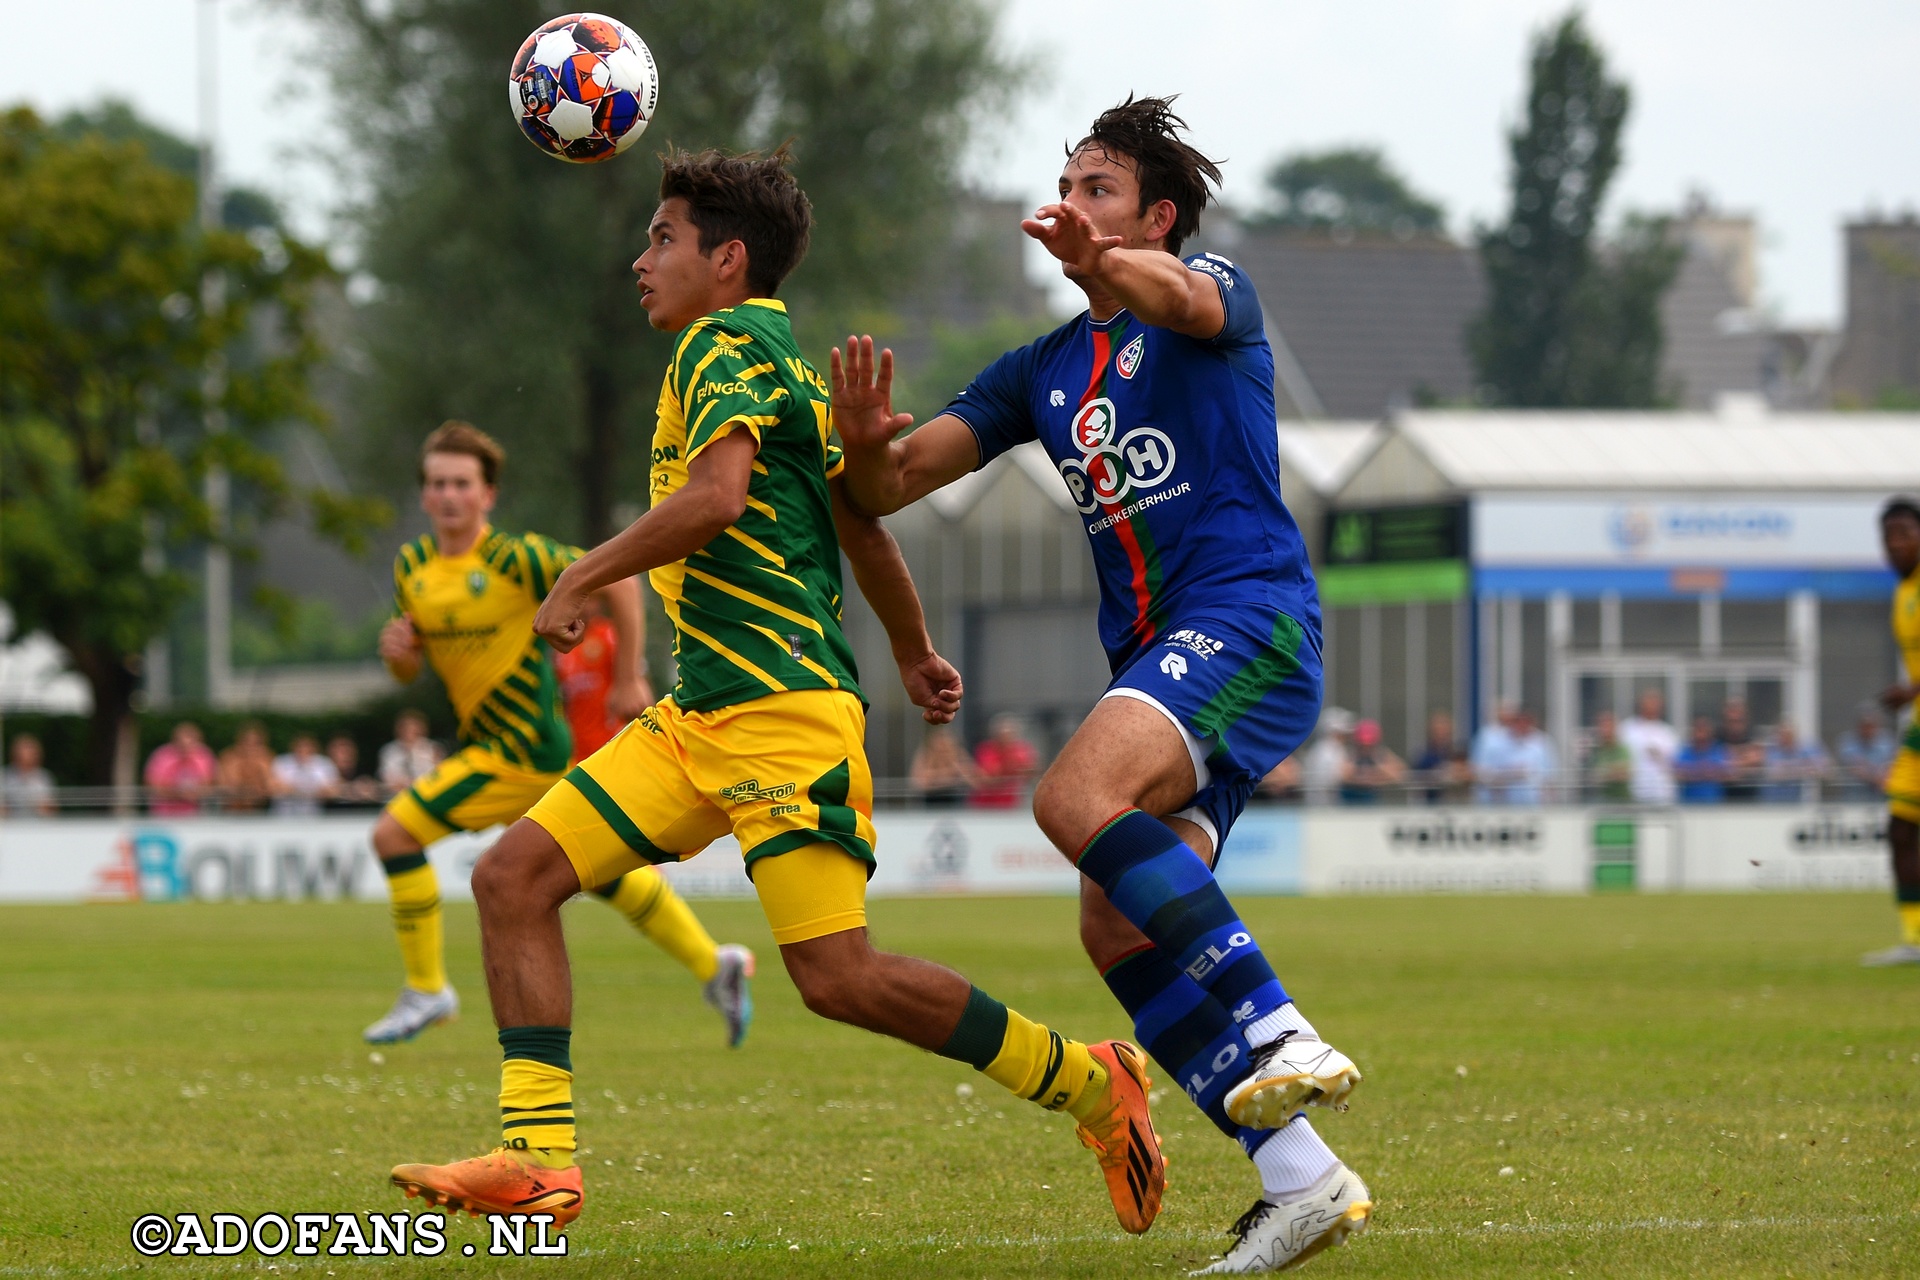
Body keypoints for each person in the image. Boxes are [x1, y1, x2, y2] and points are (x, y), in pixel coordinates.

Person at [388, 149, 1163, 1235]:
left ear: (727, 259)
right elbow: (859, 524)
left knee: (840, 976)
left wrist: (581, 571)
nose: (640, 260)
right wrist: (912, 649)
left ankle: (1090, 1078)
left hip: (781, 714)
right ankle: (537, 1162)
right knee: (515, 877)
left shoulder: (726, 342)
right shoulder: (785, 367)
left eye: (662, 239)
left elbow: (714, 499)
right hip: (701, 713)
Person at [830, 99, 1368, 1271]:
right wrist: (864, 441)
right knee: (1113, 922)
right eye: (1066, 185)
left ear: (1157, 217)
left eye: (1099, 188)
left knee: (1071, 799)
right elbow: (887, 487)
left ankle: (1282, 1028)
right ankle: (1303, 1179)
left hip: (1252, 623)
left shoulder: (1210, 291)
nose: (1070, 204)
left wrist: (1117, 267)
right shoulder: (1041, 370)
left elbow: (1176, 298)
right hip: (1166, 658)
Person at [364, 421, 751, 1050]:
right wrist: (400, 655)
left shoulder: (517, 558)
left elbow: (620, 581)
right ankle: (717, 964)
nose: (449, 495)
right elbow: (410, 668)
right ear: (424, 495)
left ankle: (426, 989)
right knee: (601, 873)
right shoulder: (413, 567)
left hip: (519, 750)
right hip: (493, 748)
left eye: (462, 483)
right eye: (437, 484)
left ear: (488, 495)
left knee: (395, 833)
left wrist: (627, 677)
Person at [1866, 497, 1920, 965]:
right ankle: (1914, 940)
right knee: (1901, 828)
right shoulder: (1902, 595)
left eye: (1905, 533)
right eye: (1889, 537)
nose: (1896, 544)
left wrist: (1911, 689)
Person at [553, 594, 646, 761]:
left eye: (592, 599)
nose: (587, 606)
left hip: (612, 745)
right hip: (577, 750)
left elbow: (637, 687)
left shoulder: (609, 634)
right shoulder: (562, 648)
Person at [1618, 688, 1679, 806]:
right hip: (1635, 791)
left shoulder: (1667, 732)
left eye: (1656, 703)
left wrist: (1659, 756)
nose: (1652, 706)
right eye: (1649, 702)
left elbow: (1675, 763)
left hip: (1662, 793)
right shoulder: (1627, 729)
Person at [144, 721, 217, 815]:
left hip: (196, 814)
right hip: (164, 813)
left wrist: (194, 794)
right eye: (181, 744)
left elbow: (210, 784)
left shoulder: (204, 756)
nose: (185, 749)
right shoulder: (161, 756)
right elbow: (152, 785)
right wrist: (176, 794)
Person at [971, 713, 1038, 808]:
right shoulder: (986, 749)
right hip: (985, 804)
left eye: (1010, 733)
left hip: (1013, 804)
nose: (1006, 737)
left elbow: (1030, 772)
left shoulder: (1023, 749)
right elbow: (988, 777)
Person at [1835, 704, 1895, 802]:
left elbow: (1893, 764)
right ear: (1858, 726)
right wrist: (1876, 778)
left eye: (1872, 726)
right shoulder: (1847, 741)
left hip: (1881, 798)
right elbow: (1855, 767)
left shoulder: (1887, 740)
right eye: (1865, 726)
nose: (1868, 730)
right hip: (1854, 798)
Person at [377, 710, 443, 796]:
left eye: (414, 727)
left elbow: (439, 774)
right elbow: (387, 778)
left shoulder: (434, 749)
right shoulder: (389, 750)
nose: (409, 731)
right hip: (396, 796)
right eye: (405, 727)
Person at [271, 733, 340, 815]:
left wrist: (295, 790)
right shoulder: (281, 762)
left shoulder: (324, 763)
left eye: (307, 747)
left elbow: (333, 791)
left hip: (315, 815)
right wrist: (313, 791)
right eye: (300, 747)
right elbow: (274, 788)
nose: (303, 751)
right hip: (284, 814)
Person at [1412, 710, 1471, 805]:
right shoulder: (1424, 754)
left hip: (1456, 802)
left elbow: (1469, 773)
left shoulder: (1458, 751)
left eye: (1444, 729)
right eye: (1438, 729)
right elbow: (1419, 777)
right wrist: (1442, 772)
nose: (1441, 732)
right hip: (1432, 803)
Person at [909, 726, 977, 808]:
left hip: (955, 799)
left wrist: (937, 778)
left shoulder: (959, 753)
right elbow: (920, 782)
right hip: (931, 800)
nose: (942, 745)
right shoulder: (926, 755)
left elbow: (973, 780)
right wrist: (950, 774)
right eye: (939, 741)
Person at [1761, 722, 1829, 804]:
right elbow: (1774, 773)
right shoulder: (1771, 752)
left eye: (1788, 734)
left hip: (1796, 802)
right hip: (1772, 802)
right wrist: (1801, 768)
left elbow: (1825, 769)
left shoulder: (1804, 751)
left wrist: (1793, 768)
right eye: (1782, 735)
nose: (1785, 738)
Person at [1340, 720, 1404, 805]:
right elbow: (1343, 775)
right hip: (1350, 797)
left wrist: (1376, 773)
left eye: (1369, 745)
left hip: (1371, 797)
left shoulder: (1380, 754)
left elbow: (1399, 774)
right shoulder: (1351, 755)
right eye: (1363, 745)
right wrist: (1359, 779)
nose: (1366, 749)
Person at [1299, 707, 1355, 805]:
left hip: (1328, 803)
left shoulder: (1330, 748)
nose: (1346, 734)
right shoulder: (1326, 751)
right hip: (1323, 805)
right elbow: (1330, 780)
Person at [217, 723, 276, 812]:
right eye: (247, 742)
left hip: (260, 809)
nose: (250, 747)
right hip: (232, 809)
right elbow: (225, 784)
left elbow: (271, 786)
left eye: (256, 743)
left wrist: (262, 768)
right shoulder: (229, 757)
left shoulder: (267, 758)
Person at [1717, 697, 1764, 803]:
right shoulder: (1717, 737)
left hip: (1750, 794)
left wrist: (1730, 758)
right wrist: (1743, 755)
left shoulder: (1753, 735)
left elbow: (1756, 760)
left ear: (1745, 720)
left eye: (1738, 721)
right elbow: (1715, 762)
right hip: (1722, 796)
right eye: (1731, 721)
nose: (1735, 726)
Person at [1673, 716, 1729, 804]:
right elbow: (1677, 773)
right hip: (1689, 805)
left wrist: (1694, 771)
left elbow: (1727, 773)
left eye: (1704, 730)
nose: (1701, 734)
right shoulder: (1685, 751)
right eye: (1698, 729)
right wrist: (1703, 771)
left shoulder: (1718, 750)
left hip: (1714, 804)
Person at [1584, 710, 1633, 804]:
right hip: (1602, 801)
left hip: (1623, 801)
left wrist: (1605, 774)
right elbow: (1592, 776)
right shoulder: (1597, 750)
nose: (1605, 730)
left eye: (1608, 726)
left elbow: (1624, 774)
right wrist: (1613, 771)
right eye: (1602, 726)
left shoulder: (1622, 749)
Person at [325, 736, 386, 810]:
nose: (345, 756)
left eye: (348, 751)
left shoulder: (365, 772)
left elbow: (374, 789)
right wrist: (352, 790)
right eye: (341, 752)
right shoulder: (323, 774)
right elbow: (325, 790)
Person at [2, 733, 56, 817]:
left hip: (39, 825)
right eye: (26, 750)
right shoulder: (4, 775)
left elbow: (51, 809)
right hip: (10, 826)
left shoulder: (44, 776)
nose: (30, 755)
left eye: (32, 751)